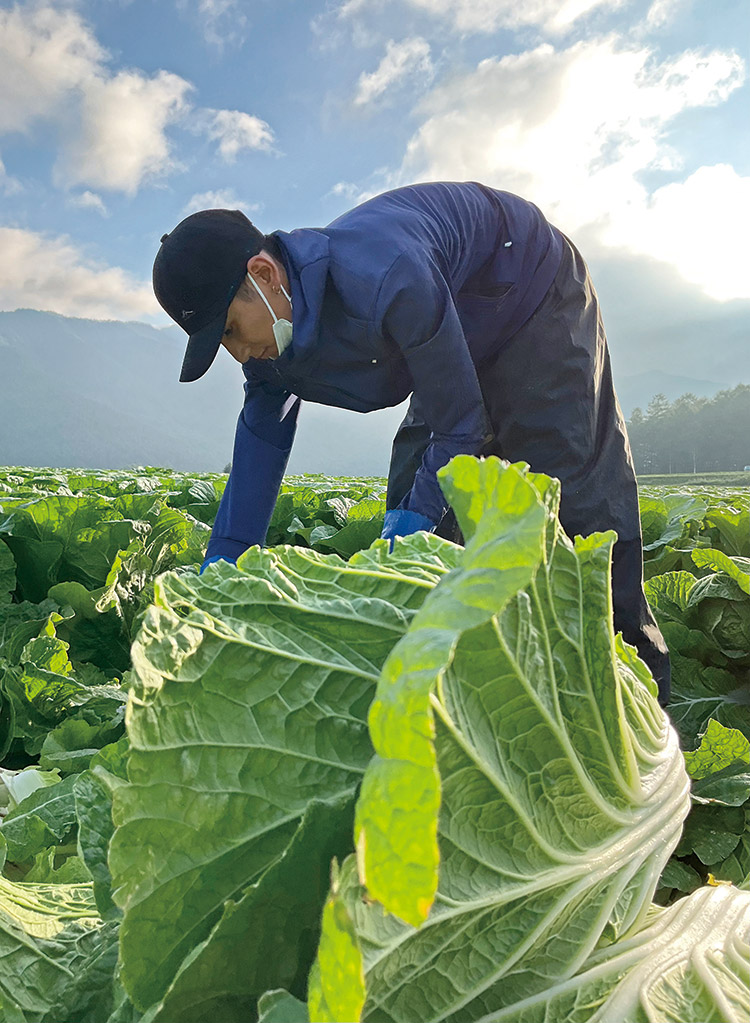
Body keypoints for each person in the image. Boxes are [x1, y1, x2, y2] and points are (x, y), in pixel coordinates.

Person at [152, 181, 670, 703]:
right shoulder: (272, 346)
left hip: (529, 289)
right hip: (445, 326)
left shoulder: (384, 273)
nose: (239, 354)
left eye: (231, 330)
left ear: (263, 275)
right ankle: (458, 700)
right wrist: (221, 578)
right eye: (222, 343)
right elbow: (258, 455)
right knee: (413, 504)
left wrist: (415, 522)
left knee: (574, 502)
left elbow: (460, 426)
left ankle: (638, 697)